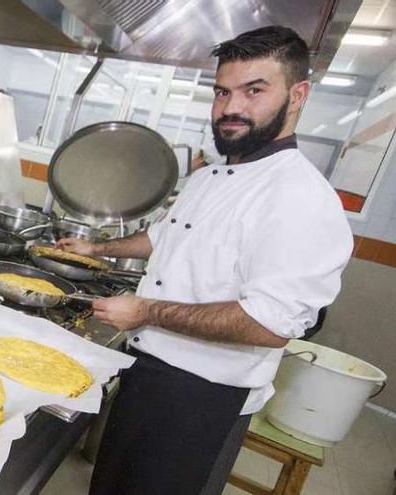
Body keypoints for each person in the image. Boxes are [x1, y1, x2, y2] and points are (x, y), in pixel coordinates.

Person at [57, 26, 353, 494]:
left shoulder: (301, 198)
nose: (231, 108)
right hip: (146, 369)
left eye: (254, 91)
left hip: (202, 397)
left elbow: (270, 323)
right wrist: (96, 249)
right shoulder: (209, 176)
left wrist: (147, 310)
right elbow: (164, 238)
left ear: (297, 95)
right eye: (222, 92)